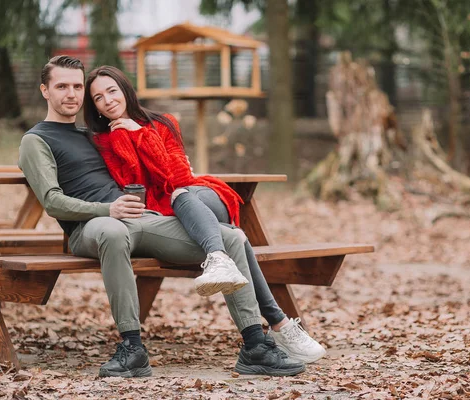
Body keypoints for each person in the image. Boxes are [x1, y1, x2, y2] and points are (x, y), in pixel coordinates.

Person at [19, 55, 308, 378]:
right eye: (61, 86)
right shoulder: (36, 140)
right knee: (113, 232)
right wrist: (107, 210)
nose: (71, 94)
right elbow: (52, 202)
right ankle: (132, 348)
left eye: (76, 86)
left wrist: (145, 139)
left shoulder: (96, 134)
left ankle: (255, 345)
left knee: (230, 238)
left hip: (141, 219)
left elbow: (155, 168)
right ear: (45, 90)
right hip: (92, 227)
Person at [83, 65, 327, 364]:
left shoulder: (163, 122)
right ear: (93, 106)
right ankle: (279, 322)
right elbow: (133, 183)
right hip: (163, 213)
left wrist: (140, 134)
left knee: (182, 194)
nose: (107, 101)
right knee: (235, 237)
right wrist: (126, 139)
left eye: (111, 91)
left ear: (125, 90)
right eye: (97, 98)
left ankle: (222, 263)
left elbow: (177, 177)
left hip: (200, 196)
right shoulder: (104, 141)